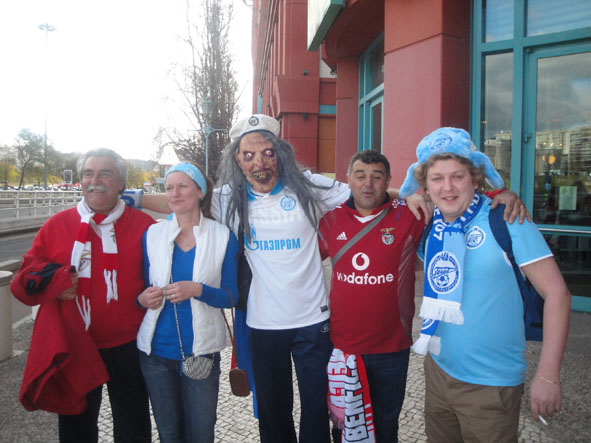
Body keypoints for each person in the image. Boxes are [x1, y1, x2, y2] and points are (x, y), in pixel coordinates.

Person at [318, 150, 527, 442]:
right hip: (342, 347)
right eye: (360, 176)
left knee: (386, 426)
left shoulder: (410, 215)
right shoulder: (330, 221)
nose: (368, 183)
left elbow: (455, 199)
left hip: (391, 348)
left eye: (377, 177)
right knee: (343, 427)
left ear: (388, 181)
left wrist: (500, 195)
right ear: (348, 179)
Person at [399, 127, 571, 442]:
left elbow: (557, 294)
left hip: (492, 384)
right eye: (437, 178)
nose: (447, 187)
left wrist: (548, 376)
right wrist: (409, 195)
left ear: (476, 178)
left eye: (458, 176)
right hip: (438, 372)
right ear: (426, 186)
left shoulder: (506, 219)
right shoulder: (430, 224)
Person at [11, 148, 153, 443]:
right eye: (88, 173)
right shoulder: (57, 225)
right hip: (76, 344)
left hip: (130, 345)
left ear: (121, 183)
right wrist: (55, 284)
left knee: (133, 426)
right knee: (76, 429)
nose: (95, 180)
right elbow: (23, 282)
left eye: (105, 173)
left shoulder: (144, 226)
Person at [136, 161, 238, 443]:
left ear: (200, 192)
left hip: (201, 352)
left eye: (183, 186)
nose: (174, 194)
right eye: (169, 188)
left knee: (201, 433)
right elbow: (141, 289)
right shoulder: (153, 235)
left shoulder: (222, 236)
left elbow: (232, 296)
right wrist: (142, 299)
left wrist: (198, 290)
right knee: (169, 434)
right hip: (156, 353)